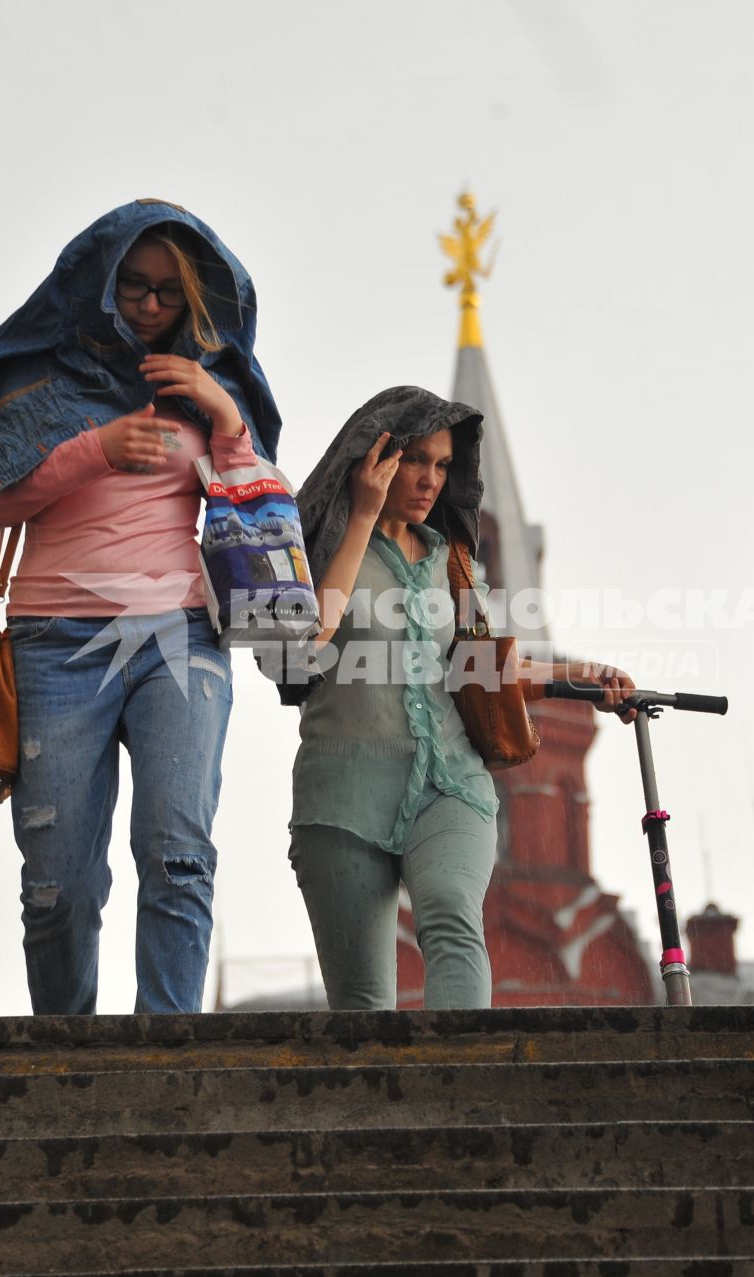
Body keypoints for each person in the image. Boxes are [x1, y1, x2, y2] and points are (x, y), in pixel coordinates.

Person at [0, 201, 282, 1015]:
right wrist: (99, 447)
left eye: (170, 292)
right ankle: (69, 1054)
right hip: (55, 642)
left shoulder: (209, 385)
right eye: (135, 286)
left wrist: (224, 412)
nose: (151, 305)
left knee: (178, 855)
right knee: (57, 883)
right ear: (98, 282)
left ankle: (169, 1053)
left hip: (181, 636)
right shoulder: (44, 374)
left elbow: (258, 504)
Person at [286, 386, 632, 1010]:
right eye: (415, 460)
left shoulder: (456, 563)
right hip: (342, 794)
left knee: (450, 915)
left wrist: (585, 674)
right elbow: (307, 641)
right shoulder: (320, 545)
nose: (429, 480)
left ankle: (463, 1094)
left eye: (443, 466)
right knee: (363, 1002)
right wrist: (363, 517)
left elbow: (482, 664)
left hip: (448, 784)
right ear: (374, 458)